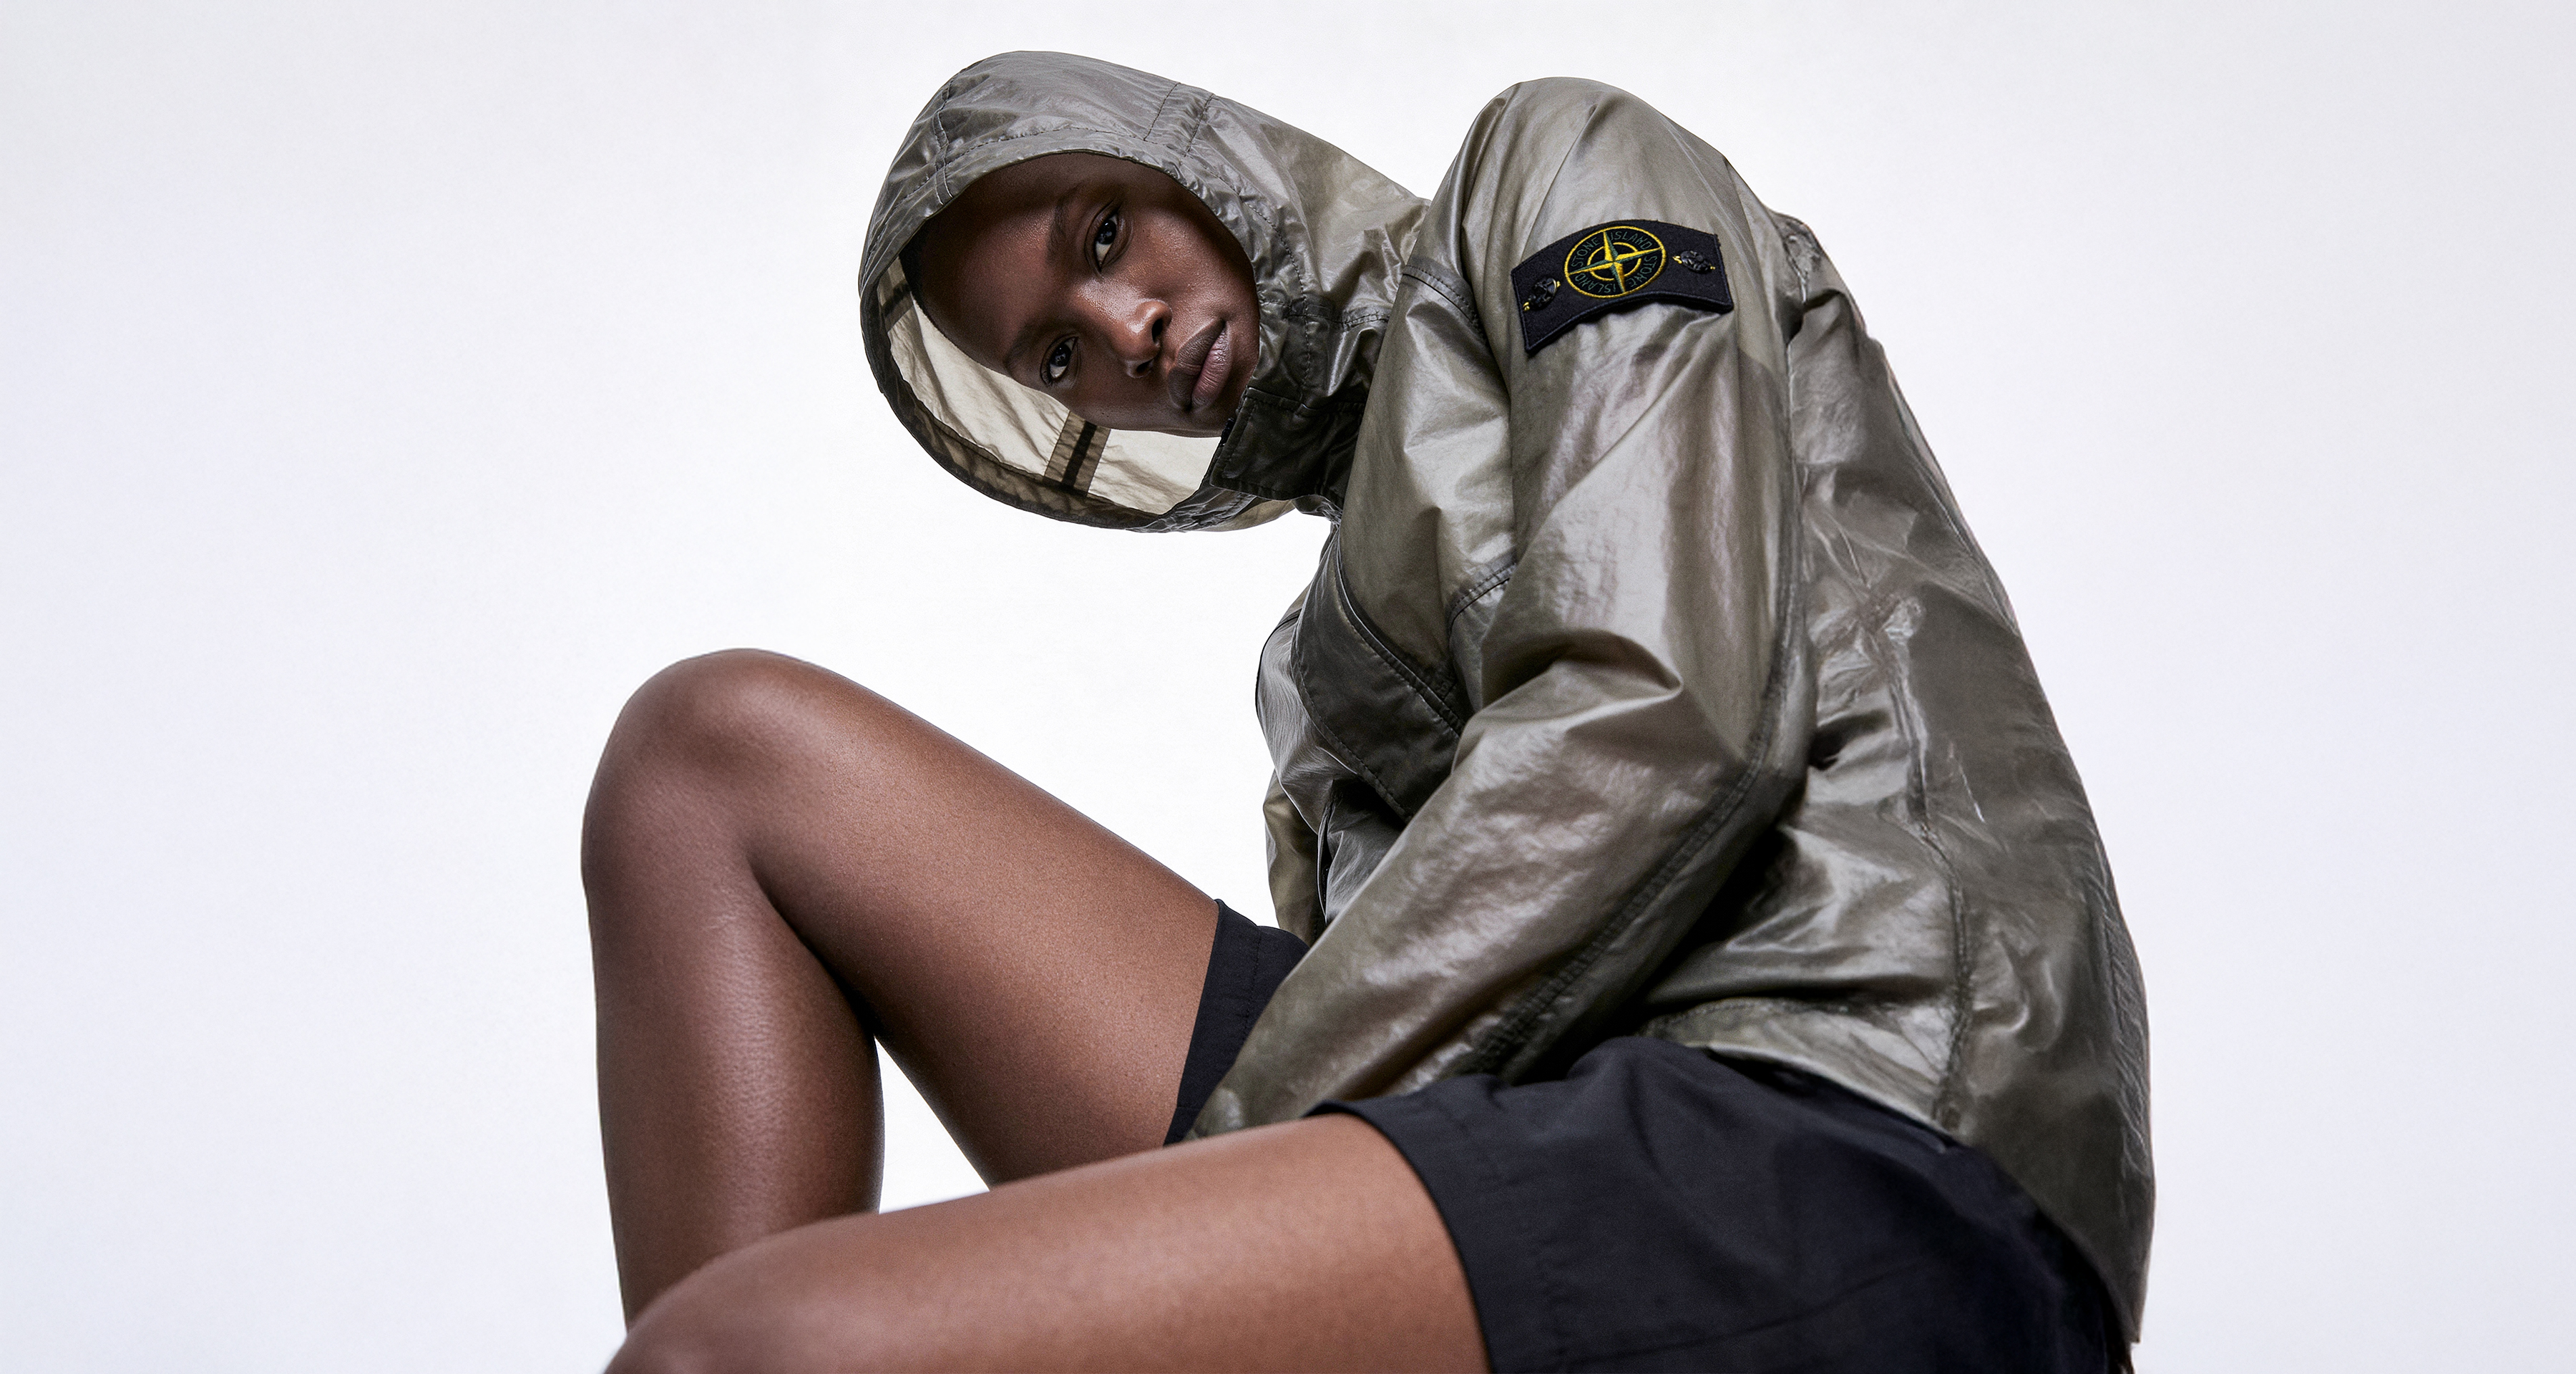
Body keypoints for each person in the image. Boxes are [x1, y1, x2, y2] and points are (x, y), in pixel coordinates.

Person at [586, 51, 2152, 1373]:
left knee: (758, 1347)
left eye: (1108, 232)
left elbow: (1663, 721)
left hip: (1856, 1117)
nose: (1126, 332)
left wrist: (1205, 1195)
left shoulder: (1559, 168)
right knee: (707, 764)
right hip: (1548, 1142)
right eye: (1058, 354)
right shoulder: (1309, 674)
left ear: (1193, 158)